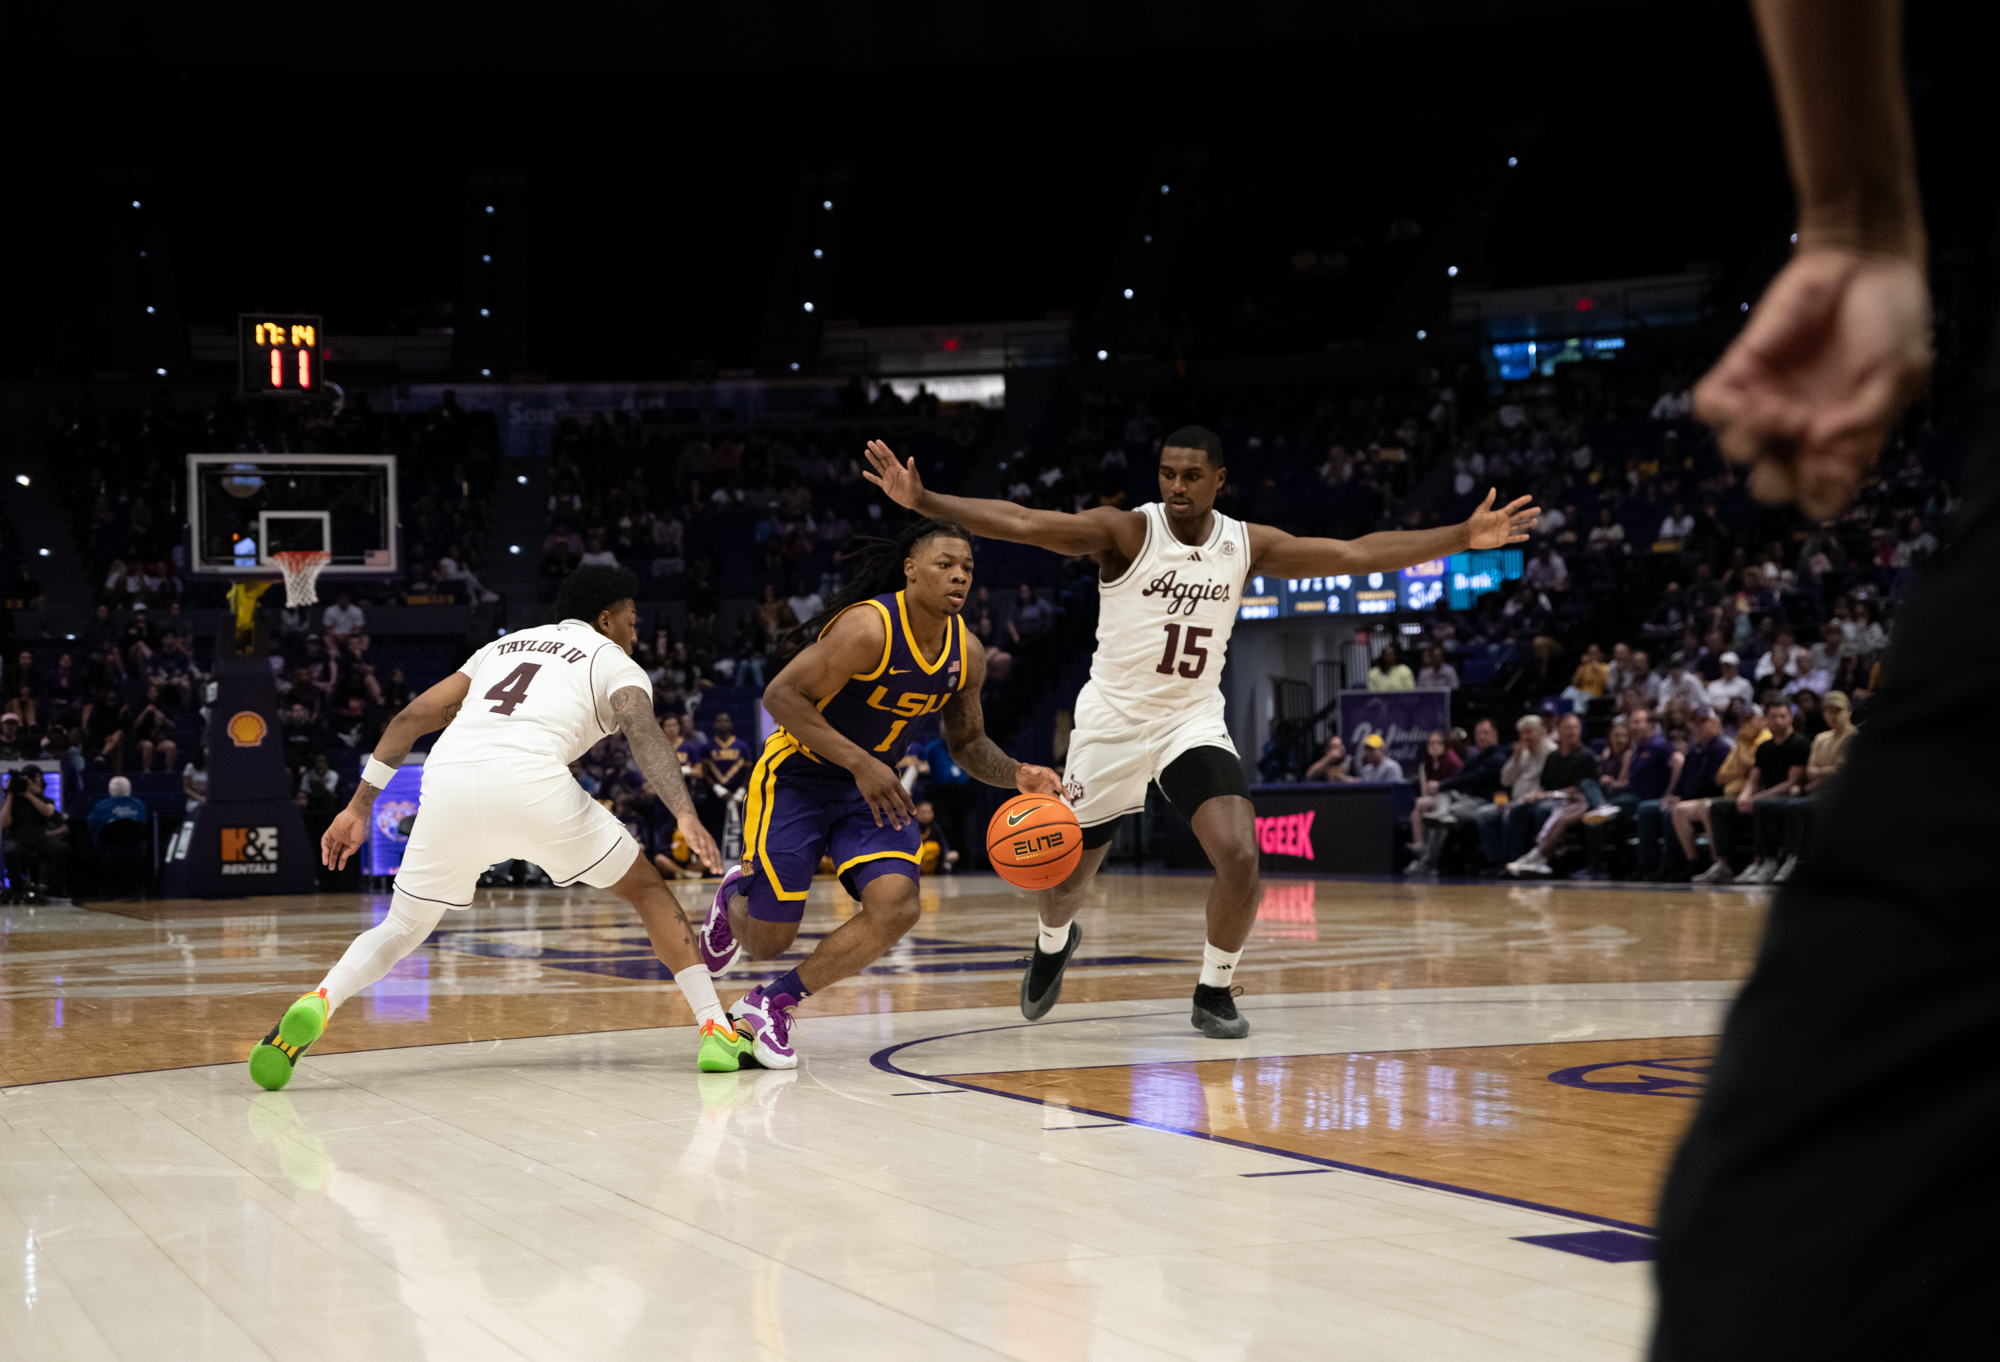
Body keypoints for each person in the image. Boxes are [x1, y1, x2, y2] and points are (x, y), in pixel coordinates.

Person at [863, 433, 1536, 1036]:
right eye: (1167, 475)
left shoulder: (1247, 543)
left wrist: (1459, 537)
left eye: (1191, 476)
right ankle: (1052, 941)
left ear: (1219, 480)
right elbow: (1027, 523)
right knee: (1065, 881)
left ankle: (1213, 989)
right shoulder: (1128, 533)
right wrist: (926, 500)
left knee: (1240, 856)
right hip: (1112, 725)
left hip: (1190, 720)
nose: (1176, 488)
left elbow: (1356, 554)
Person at [249, 566, 739, 1093]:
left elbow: (411, 718)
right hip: (532, 784)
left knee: (401, 927)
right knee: (646, 889)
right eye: (632, 621)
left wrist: (358, 806)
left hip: (448, 781)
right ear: (605, 620)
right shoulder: (612, 659)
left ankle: (319, 1000)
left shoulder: (500, 649)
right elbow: (643, 732)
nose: (636, 633)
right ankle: (714, 1026)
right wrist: (684, 812)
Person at [695, 519, 1060, 1068]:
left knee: (897, 906)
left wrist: (1017, 775)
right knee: (767, 940)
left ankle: (771, 1004)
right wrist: (862, 762)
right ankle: (733, 898)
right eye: (945, 565)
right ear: (911, 569)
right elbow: (781, 697)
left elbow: (967, 741)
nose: (959, 576)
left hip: (873, 789)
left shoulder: (968, 653)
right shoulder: (867, 629)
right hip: (799, 776)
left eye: (967, 568)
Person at [1713, 698, 1814, 887]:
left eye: (1782, 716)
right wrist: (1745, 795)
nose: (1778, 721)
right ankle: (1723, 864)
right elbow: (1754, 778)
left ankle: (1766, 862)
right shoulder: (1764, 748)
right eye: (1773, 716)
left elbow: (1791, 782)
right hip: (1766, 797)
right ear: (1766, 719)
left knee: (1762, 805)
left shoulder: (1800, 743)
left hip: (1788, 797)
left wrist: (1757, 797)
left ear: (1790, 718)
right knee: (1719, 807)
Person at [1765, 688, 1856, 883]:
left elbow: (1842, 773)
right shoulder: (1820, 738)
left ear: (1849, 712)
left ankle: (1793, 860)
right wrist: (1826, 773)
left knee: (1796, 807)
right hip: (1818, 793)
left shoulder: (1854, 738)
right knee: (1770, 805)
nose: (1832, 715)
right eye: (1828, 711)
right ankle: (1767, 861)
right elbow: (1809, 772)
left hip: (1844, 796)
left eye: (1837, 711)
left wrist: (1820, 776)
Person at [1502, 713, 1601, 876]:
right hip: (1550, 798)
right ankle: (1518, 861)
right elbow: (1544, 784)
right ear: (1559, 731)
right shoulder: (1553, 757)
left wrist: (1549, 794)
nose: (1572, 732)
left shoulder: (1586, 756)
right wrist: (1536, 794)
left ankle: (1544, 860)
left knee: (1543, 811)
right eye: (1568, 728)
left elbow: (1581, 787)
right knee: (1519, 810)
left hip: (1572, 802)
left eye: (1576, 728)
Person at [1406, 717, 1506, 875]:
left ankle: (1428, 861)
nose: (1481, 737)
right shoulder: (1475, 758)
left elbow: (1470, 779)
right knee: (1441, 800)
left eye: (1486, 733)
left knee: (1445, 813)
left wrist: (1441, 784)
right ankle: (1428, 844)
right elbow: (1460, 778)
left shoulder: (1497, 758)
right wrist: (1442, 786)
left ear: (1495, 734)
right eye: (1478, 733)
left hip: (1483, 802)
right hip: (1463, 798)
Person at [913, 800, 957, 873]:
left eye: (929, 812)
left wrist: (943, 854)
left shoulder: (935, 828)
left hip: (934, 859)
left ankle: (942, 866)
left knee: (954, 854)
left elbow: (943, 845)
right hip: (919, 859)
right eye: (923, 813)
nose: (926, 815)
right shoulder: (913, 827)